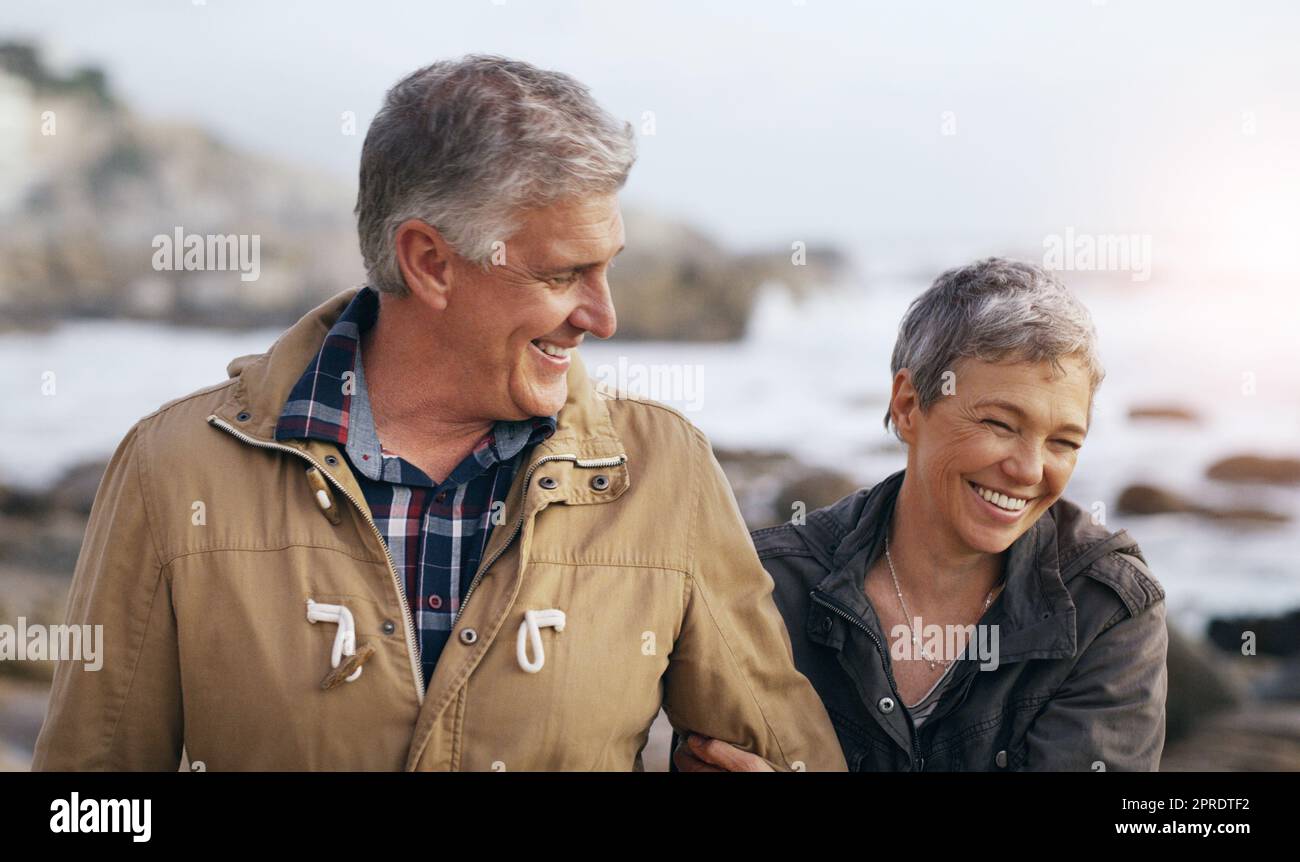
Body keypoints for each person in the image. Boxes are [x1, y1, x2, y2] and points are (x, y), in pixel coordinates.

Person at [32, 55, 844, 772]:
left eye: (609, 271)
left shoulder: (666, 471)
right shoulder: (173, 467)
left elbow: (786, 755)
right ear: (430, 262)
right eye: (565, 274)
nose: (602, 316)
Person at [674, 257, 1168, 772]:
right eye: (1000, 424)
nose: (1028, 470)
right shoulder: (767, 588)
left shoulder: (1104, 609)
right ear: (909, 405)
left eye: (1063, 442)